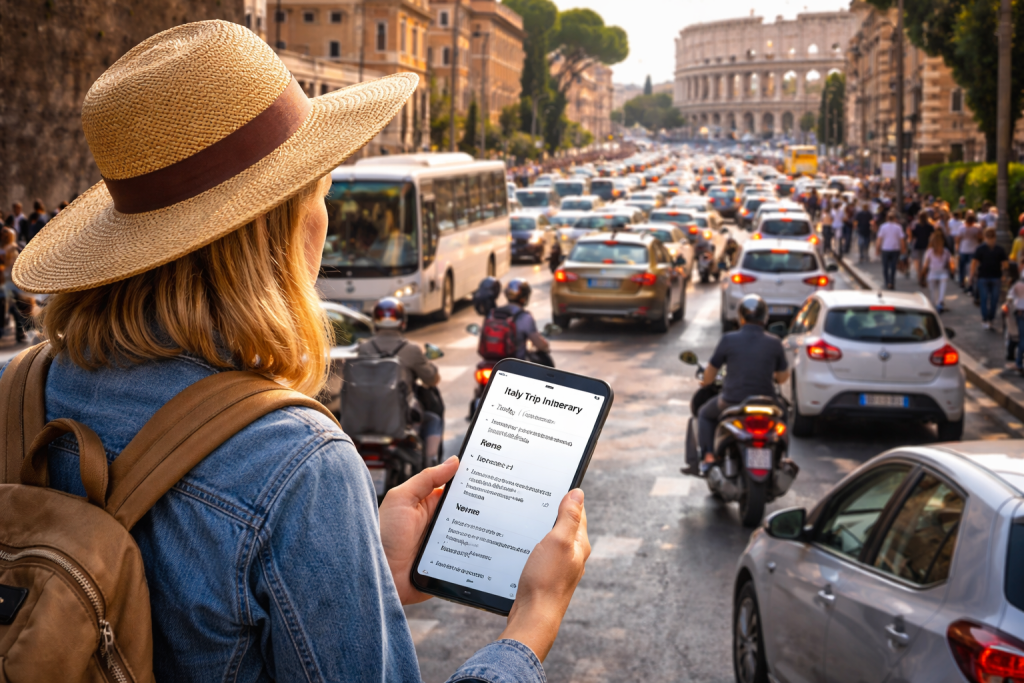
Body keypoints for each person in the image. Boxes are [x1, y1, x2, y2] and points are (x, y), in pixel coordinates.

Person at [2, 22, 588, 682]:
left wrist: (357, 567)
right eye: (324, 193)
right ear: (283, 228)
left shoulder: (12, 385)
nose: (327, 217)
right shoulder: (295, 465)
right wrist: (530, 626)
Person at [694, 294, 789, 473]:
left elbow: (711, 373)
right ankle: (783, 458)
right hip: (767, 403)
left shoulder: (728, 339)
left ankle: (708, 456)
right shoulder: (775, 342)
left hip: (732, 401)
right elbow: (782, 377)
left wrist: (705, 382)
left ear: (741, 317)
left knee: (704, 414)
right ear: (765, 317)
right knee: (784, 415)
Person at [357, 297, 444, 466]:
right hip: (402, 420)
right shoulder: (411, 349)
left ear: (375, 323)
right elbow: (432, 379)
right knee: (433, 419)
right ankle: (430, 464)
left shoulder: (363, 348)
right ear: (402, 323)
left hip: (365, 417)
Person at [495, 277, 553, 366]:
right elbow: (539, 344)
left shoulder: (494, 312)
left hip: (492, 359)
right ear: (525, 297)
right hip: (515, 363)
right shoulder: (525, 317)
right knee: (546, 361)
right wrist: (545, 346)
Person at [970, 227, 1009, 329]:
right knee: (993, 300)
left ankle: (986, 319)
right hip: (995, 277)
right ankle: (990, 319)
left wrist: (972, 275)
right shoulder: (999, 249)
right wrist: (1004, 274)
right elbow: (1005, 265)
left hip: (984, 277)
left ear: (984, 237)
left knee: (984, 299)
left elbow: (974, 263)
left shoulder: (981, 248)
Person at [921, 230, 953, 312]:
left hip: (932, 274)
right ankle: (940, 303)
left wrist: (923, 274)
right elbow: (950, 264)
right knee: (941, 291)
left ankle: (934, 306)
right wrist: (952, 271)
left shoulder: (930, 252)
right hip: (943, 274)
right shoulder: (946, 252)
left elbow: (926, 265)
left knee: (933, 293)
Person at [876, 211, 906, 290]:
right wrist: (903, 249)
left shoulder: (883, 226)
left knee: (885, 266)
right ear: (894, 218)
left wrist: (877, 249)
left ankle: (887, 282)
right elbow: (901, 240)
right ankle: (891, 282)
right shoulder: (898, 227)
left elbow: (879, 239)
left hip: (885, 249)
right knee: (893, 266)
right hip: (895, 249)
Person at [955, 211, 982, 292]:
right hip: (973, 249)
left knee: (962, 267)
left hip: (963, 249)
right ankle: (970, 283)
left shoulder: (962, 228)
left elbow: (958, 239)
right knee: (971, 268)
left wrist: (957, 249)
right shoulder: (977, 228)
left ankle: (962, 281)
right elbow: (980, 238)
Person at [908, 209, 934, 282]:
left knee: (918, 263)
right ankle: (924, 276)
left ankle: (919, 276)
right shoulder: (929, 226)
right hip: (926, 245)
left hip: (918, 245)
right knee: (925, 262)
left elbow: (912, 236)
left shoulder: (916, 226)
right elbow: (933, 236)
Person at [1007, 272, 1024, 374]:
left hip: (1021, 313)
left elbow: (1010, 297)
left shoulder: (1017, 285)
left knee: (1022, 339)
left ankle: (1019, 363)